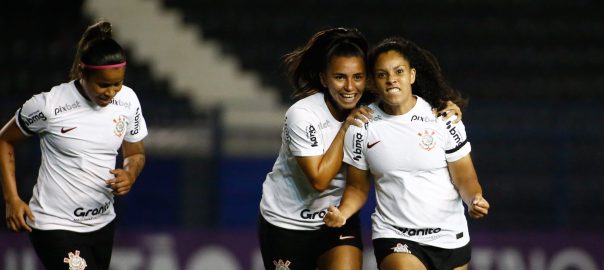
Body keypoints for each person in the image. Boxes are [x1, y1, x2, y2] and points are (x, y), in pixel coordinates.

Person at [257, 28, 462, 270]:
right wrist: (346, 127)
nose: (350, 87)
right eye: (340, 77)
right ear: (324, 79)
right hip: (286, 224)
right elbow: (319, 180)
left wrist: (443, 105)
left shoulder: (369, 106)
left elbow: (411, 95)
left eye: (358, 77)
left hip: (336, 217)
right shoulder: (303, 115)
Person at [323, 37, 490, 270]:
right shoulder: (362, 125)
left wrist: (474, 199)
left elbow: (464, 177)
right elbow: (357, 187)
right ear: (373, 82)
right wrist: (343, 212)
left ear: (411, 76)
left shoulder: (443, 118)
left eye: (398, 71)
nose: (391, 79)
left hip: (449, 236)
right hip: (395, 235)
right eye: (382, 74)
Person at [0, 20, 147, 270]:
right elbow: (5, 139)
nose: (111, 92)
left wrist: (130, 173)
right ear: (83, 72)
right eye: (103, 84)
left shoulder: (128, 100)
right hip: (55, 225)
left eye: (117, 84)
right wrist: (12, 199)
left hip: (102, 223)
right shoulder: (48, 106)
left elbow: (135, 152)